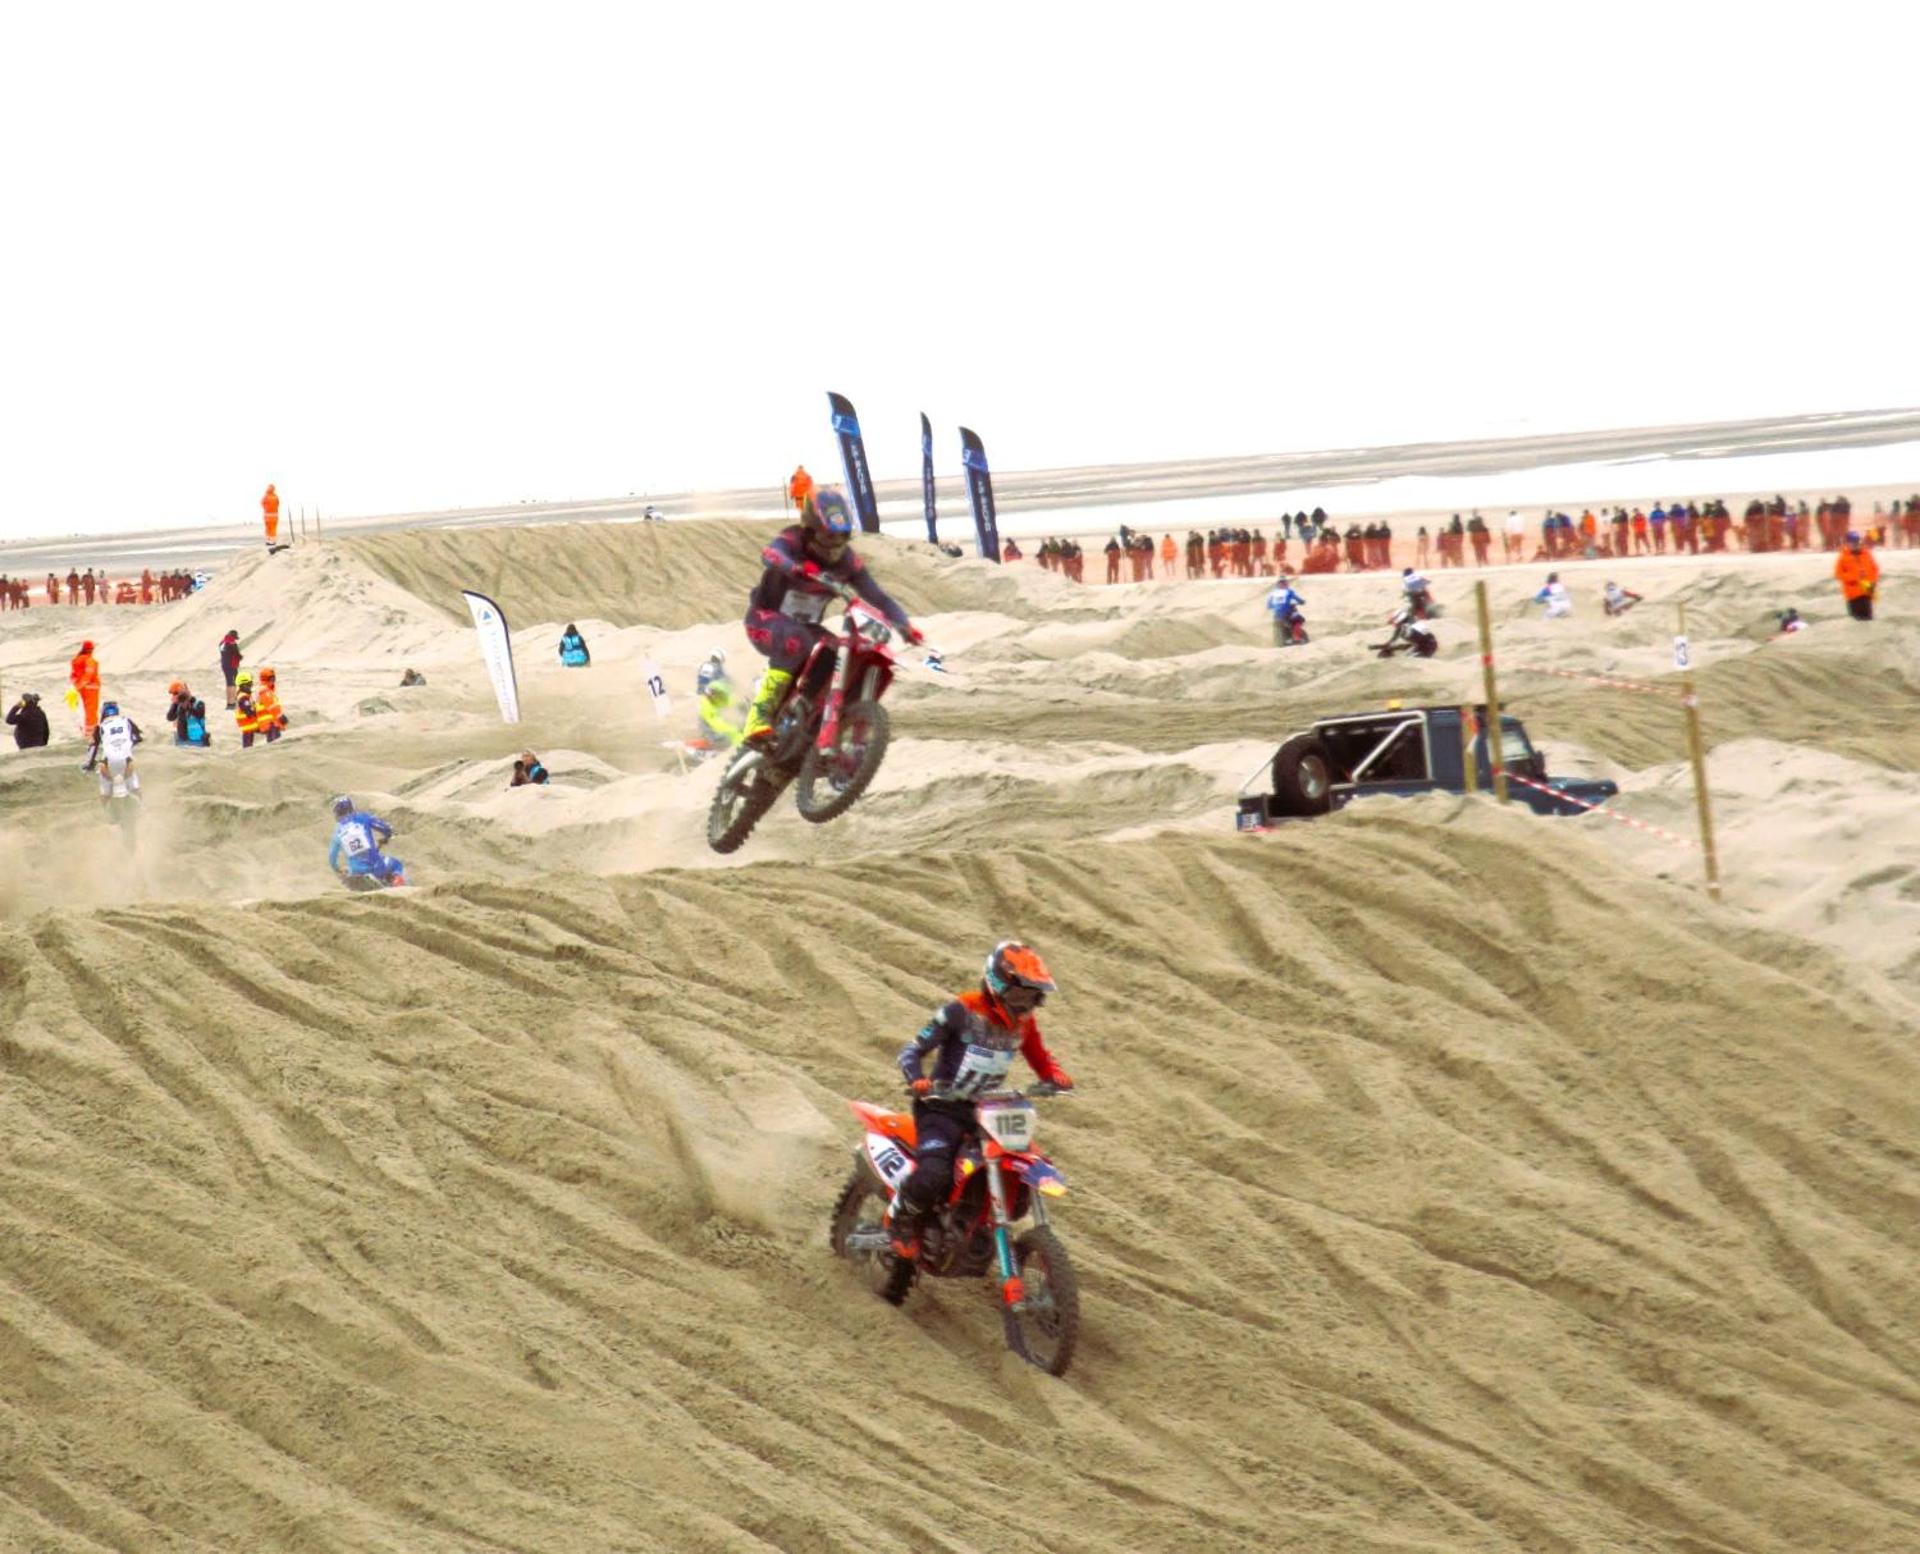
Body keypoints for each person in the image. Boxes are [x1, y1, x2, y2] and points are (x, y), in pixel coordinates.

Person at [887, 941, 1074, 1260]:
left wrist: (1055, 1076)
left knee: (1022, 1163)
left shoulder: (1024, 1025)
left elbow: (1041, 1058)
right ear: (997, 985)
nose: (1024, 1004)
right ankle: (899, 1219)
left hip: (985, 1112)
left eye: (1032, 996)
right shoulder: (962, 1010)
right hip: (940, 1107)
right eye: (1019, 994)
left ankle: (974, 1223)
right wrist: (917, 1079)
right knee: (935, 1174)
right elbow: (912, 1050)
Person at [740, 486, 922, 743]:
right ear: (810, 531)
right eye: (827, 537)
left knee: (836, 653)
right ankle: (757, 717)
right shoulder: (791, 540)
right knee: (796, 640)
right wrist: (796, 568)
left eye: (840, 538)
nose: (833, 547)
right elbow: (770, 555)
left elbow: (879, 598)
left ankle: (807, 711)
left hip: (806, 628)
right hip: (764, 618)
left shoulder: (848, 562)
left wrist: (904, 625)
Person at [328, 795, 406, 886]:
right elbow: (384, 827)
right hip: (376, 866)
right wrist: (388, 834)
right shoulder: (363, 818)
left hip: (356, 871)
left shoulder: (337, 832)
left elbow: (332, 858)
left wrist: (337, 870)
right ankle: (401, 889)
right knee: (396, 864)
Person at [84, 701, 143, 799]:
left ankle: (106, 806)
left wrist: (89, 765)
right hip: (127, 760)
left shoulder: (100, 727)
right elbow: (138, 738)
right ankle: (140, 805)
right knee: (134, 786)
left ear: (103, 713)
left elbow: (93, 748)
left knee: (105, 791)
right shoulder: (127, 721)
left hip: (109, 762)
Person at [696, 650, 743, 749]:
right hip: (714, 697)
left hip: (704, 697)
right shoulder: (717, 668)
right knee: (723, 727)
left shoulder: (705, 665)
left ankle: (709, 737)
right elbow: (726, 681)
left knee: (708, 722)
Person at [1835, 531, 1879, 621]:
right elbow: (1838, 574)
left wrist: (1872, 581)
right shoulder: (1843, 557)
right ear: (1847, 543)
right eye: (1852, 542)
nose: (1855, 544)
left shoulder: (1867, 554)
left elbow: (1875, 569)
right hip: (1853, 594)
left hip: (1867, 590)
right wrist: (1854, 578)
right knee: (1856, 620)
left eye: (1857, 541)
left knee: (1869, 618)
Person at [1372, 608, 1438, 659]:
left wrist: (1391, 647)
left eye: (1393, 622)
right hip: (1426, 644)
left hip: (1426, 647)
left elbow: (1398, 643)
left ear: (1399, 619)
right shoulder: (1410, 622)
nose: (1393, 624)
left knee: (1409, 660)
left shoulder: (1405, 627)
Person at [69, 639, 101, 733]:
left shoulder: (75, 660)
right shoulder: (90, 660)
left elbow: (73, 676)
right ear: (91, 649)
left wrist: (76, 687)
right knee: (91, 712)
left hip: (80, 689)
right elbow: (88, 674)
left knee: (82, 711)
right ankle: (91, 732)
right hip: (91, 688)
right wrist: (81, 685)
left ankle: (84, 730)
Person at [1265, 577, 1307, 646]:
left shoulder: (1272, 594)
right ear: (1285, 584)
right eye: (1286, 583)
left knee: (1276, 624)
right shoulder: (1289, 591)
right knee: (1298, 620)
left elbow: (1269, 606)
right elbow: (1299, 600)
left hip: (1277, 615)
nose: (1286, 585)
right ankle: (1297, 639)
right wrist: (1302, 602)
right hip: (1286, 613)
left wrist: (1277, 606)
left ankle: (1278, 639)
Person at [253, 667, 287, 742]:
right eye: (271, 678)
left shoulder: (267, 690)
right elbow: (270, 706)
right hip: (270, 723)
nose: (273, 681)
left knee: (274, 746)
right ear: (265, 679)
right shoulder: (264, 690)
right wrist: (280, 716)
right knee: (275, 746)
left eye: (274, 678)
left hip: (272, 723)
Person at [234, 671, 260, 748]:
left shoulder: (245, 696)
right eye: (249, 684)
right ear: (244, 685)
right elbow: (248, 711)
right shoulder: (243, 697)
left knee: (249, 746)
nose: (251, 686)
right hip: (247, 726)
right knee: (247, 747)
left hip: (250, 725)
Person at [219, 630, 243, 708]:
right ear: (232, 636)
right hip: (232, 665)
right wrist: (240, 657)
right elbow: (237, 654)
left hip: (224, 664)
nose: (235, 639)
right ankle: (233, 702)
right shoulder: (232, 643)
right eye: (235, 638)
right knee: (234, 683)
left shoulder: (222, 643)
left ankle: (229, 702)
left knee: (228, 683)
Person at [261, 483, 281, 548]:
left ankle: (268, 541)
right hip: (274, 516)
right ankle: (272, 542)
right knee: (273, 529)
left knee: (268, 528)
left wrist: (266, 509)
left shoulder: (265, 496)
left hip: (267, 516)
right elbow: (278, 504)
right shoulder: (276, 497)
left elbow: (262, 504)